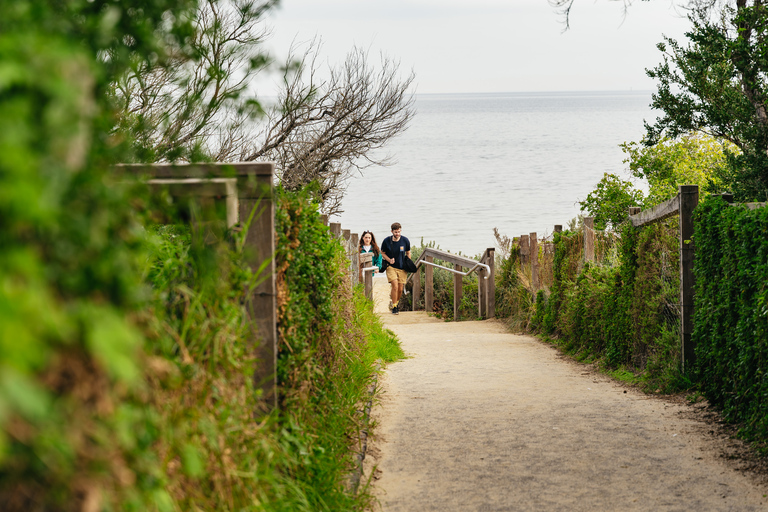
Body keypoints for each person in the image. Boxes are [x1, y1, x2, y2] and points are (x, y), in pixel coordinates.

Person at [380, 222, 410, 315]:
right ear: (392, 231)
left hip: (402, 267)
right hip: (391, 267)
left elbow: (408, 252)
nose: (397, 234)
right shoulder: (386, 241)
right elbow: (382, 253)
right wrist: (389, 260)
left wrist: (408, 262)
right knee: (395, 286)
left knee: (400, 289)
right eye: (396, 232)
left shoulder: (405, 240)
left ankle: (395, 303)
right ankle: (394, 307)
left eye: (399, 232)